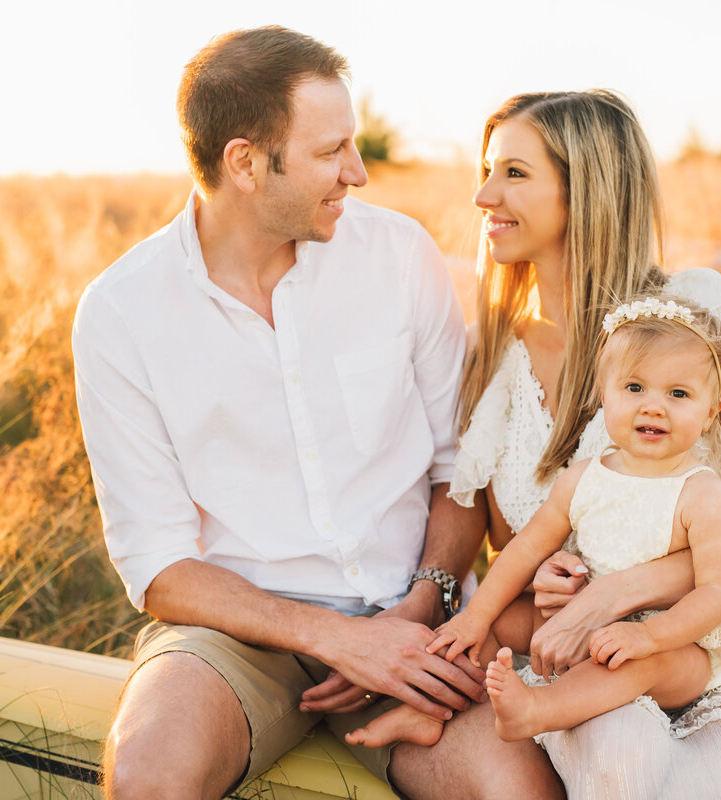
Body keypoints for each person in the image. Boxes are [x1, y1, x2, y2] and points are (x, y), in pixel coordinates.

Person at [71, 27, 563, 800]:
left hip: (417, 620)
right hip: (236, 637)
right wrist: (337, 639)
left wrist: (418, 607)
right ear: (244, 163)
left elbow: (458, 470)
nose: (358, 172)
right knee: (147, 776)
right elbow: (160, 566)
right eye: (332, 151)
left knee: (516, 791)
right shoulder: (121, 313)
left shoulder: (400, 257)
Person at [438, 90, 721, 798]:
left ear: (585, 189)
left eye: (514, 174)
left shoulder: (693, 313)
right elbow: (516, 543)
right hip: (582, 673)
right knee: (623, 769)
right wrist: (549, 579)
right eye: (489, 169)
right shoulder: (496, 352)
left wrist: (626, 590)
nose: (483, 194)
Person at [352, 293, 721, 747]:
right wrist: (477, 617)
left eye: (678, 394)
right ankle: (428, 709)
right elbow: (526, 548)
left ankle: (536, 710)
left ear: (711, 413)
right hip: (580, 617)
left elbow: (720, 592)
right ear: (605, 395)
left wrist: (648, 635)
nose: (653, 406)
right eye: (635, 388)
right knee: (496, 622)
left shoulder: (702, 494)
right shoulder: (585, 478)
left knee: (641, 666)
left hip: (675, 646)